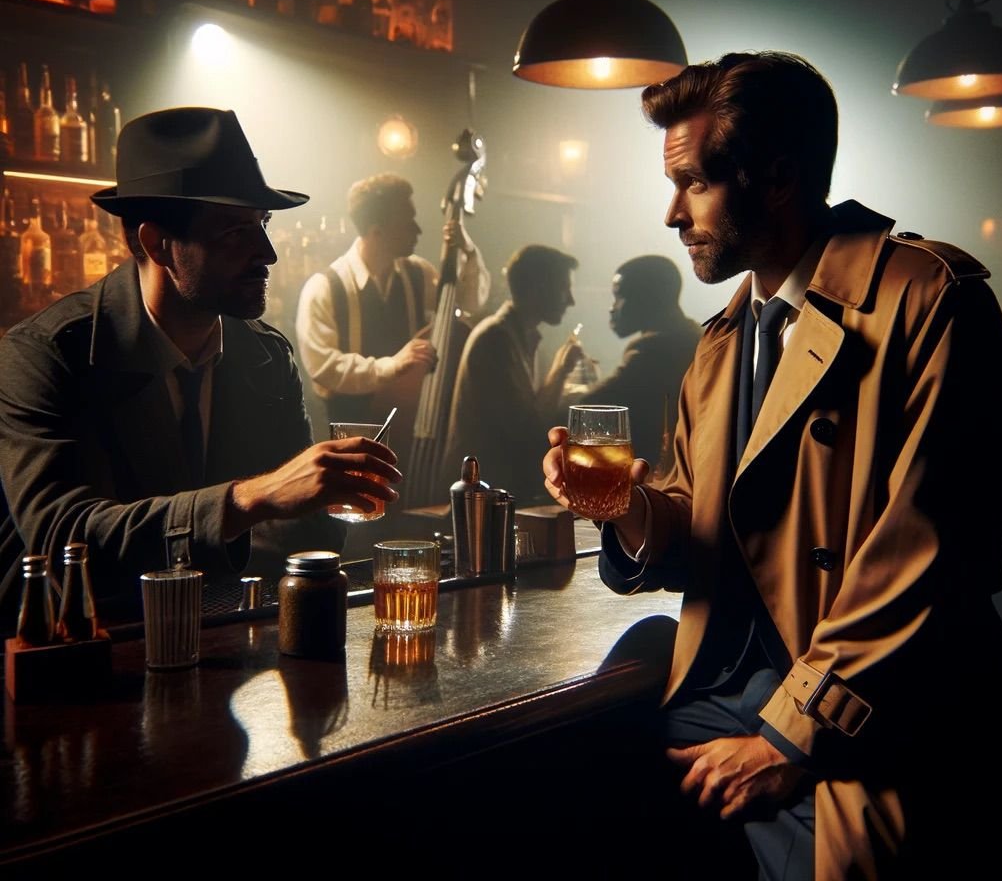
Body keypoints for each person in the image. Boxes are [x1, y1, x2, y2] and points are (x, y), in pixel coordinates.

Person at [542, 53, 1002, 878]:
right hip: (726, 701)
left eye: (693, 183)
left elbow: (927, 563)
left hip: (866, 720)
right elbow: (705, 522)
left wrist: (786, 739)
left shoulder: (933, 300)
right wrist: (625, 506)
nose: (670, 214)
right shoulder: (724, 340)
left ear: (778, 179)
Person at [0, 107, 401, 628]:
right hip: (79, 656)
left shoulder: (265, 356)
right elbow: (64, 538)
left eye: (263, 225)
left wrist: (325, 501)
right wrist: (253, 498)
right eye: (236, 231)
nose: (268, 254)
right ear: (157, 243)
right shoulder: (48, 354)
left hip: (219, 645)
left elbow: (304, 536)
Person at [294, 172, 489, 454]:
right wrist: (392, 366)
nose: (418, 230)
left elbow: (470, 302)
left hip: (411, 429)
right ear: (377, 231)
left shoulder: (418, 273)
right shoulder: (323, 287)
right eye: (408, 221)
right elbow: (324, 368)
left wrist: (468, 251)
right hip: (352, 441)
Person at [446, 244, 580, 503]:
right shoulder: (496, 339)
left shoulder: (519, 336)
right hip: (479, 496)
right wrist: (560, 371)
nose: (571, 300)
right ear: (537, 289)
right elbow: (526, 429)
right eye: (564, 289)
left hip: (499, 490)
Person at [567, 255, 703, 469]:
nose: (612, 308)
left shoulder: (654, 349)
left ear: (647, 298)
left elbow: (587, 410)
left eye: (619, 296)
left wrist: (560, 379)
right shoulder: (693, 334)